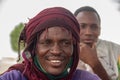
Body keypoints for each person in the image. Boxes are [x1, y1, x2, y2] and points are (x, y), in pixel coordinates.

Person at [0, 7, 100, 80]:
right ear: (33, 48)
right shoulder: (13, 78)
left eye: (65, 43)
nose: (56, 51)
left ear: (74, 48)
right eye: (46, 42)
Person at [74, 6, 120, 80]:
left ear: (99, 30)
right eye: (82, 26)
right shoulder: (64, 51)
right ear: (73, 28)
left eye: (94, 27)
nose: (88, 32)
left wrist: (95, 63)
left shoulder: (117, 51)